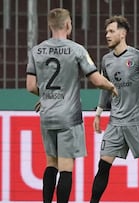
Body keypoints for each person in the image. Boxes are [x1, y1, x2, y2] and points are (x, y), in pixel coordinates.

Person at [26, 8, 118, 203]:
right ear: (68, 25)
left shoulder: (36, 50)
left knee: (51, 163)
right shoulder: (76, 49)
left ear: (50, 25)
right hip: (69, 116)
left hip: (47, 115)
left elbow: (31, 86)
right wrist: (112, 87)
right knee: (66, 167)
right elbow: (96, 80)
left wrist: (48, 96)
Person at [89, 15, 139, 203]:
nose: (107, 35)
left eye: (111, 31)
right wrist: (98, 113)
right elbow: (106, 87)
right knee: (103, 166)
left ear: (123, 34)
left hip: (137, 122)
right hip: (115, 122)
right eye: (106, 32)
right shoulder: (106, 60)